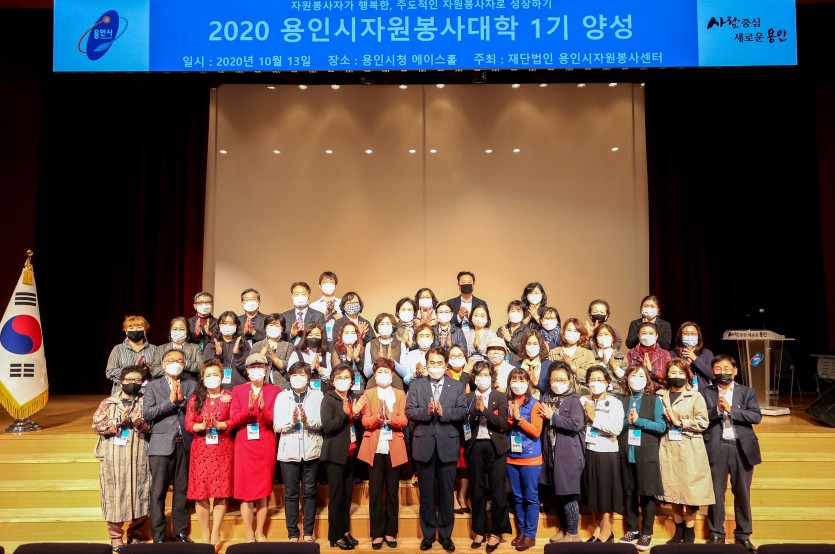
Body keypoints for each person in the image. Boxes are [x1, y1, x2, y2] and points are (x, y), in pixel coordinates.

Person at [406, 347, 467, 552]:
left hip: (447, 446)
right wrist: (427, 411)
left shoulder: (457, 386)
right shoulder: (416, 385)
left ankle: (446, 535)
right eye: (432, 363)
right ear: (427, 364)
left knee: (447, 494)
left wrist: (444, 412)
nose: (436, 366)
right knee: (426, 495)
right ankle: (428, 535)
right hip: (424, 446)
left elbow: (463, 412)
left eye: (439, 363)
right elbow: (410, 411)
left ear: (446, 364)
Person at [702, 354, 762, 554]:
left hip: (741, 448)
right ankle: (716, 534)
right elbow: (701, 418)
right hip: (716, 447)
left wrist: (732, 410)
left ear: (735, 371)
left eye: (727, 368)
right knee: (716, 494)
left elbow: (756, 416)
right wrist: (718, 411)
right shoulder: (705, 392)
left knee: (742, 493)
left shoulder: (747, 392)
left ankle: (743, 535)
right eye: (718, 368)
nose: (723, 372)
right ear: (713, 371)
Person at [93, 365, 151, 552]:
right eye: (129, 380)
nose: (133, 383)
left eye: (137, 380)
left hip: (139, 455)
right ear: (121, 382)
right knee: (114, 496)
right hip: (114, 458)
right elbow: (96, 425)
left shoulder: (146, 401)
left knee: (142, 494)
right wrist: (119, 421)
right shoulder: (108, 403)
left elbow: (152, 426)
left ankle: (135, 533)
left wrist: (139, 423)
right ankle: (116, 537)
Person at [655, 358, 714, 545]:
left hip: (690, 448)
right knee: (673, 489)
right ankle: (678, 529)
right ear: (666, 375)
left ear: (687, 375)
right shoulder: (659, 395)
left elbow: (703, 422)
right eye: (672, 372)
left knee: (690, 491)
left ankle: (689, 531)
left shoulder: (695, 396)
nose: (676, 376)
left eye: (680, 373)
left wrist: (679, 422)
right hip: (667, 446)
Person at [141, 348, 197, 544]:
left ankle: (180, 532)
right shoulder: (153, 386)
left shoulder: (191, 385)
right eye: (172, 360)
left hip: (185, 443)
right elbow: (148, 414)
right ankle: (158, 535)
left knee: (182, 490)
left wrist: (181, 401)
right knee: (158, 491)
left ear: (184, 364)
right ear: (163, 364)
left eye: (180, 360)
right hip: (161, 444)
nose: (176, 363)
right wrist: (170, 402)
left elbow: (196, 410)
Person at [358, 358, 410, 550]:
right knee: (375, 493)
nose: (383, 375)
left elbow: (403, 420)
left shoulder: (400, 393)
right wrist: (377, 417)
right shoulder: (368, 393)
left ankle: (390, 532)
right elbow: (365, 421)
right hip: (374, 447)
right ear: (374, 374)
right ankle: (377, 533)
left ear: (392, 374)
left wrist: (390, 417)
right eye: (379, 371)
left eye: (386, 371)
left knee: (392, 493)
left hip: (393, 446)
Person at [229, 353, 281, 542]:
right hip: (244, 443)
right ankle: (248, 531)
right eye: (253, 367)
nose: (257, 370)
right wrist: (248, 410)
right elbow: (234, 419)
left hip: (265, 442)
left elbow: (275, 420)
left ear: (266, 369)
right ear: (247, 370)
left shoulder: (274, 390)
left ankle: (259, 531)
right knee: (246, 492)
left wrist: (263, 409)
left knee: (263, 490)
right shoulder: (238, 390)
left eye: (260, 366)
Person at [185, 360, 234, 552]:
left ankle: (216, 532)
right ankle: (204, 532)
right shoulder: (195, 398)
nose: (212, 378)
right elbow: (189, 423)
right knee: (201, 493)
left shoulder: (229, 397)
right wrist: (202, 426)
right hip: (201, 449)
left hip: (223, 448)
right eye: (208, 375)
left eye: (215, 374)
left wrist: (222, 424)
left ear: (222, 377)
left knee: (221, 492)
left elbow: (235, 419)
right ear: (203, 378)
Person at [618, 363, 666, 552]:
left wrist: (640, 421)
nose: (636, 379)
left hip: (646, 452)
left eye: (640, 376)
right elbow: (615, 425)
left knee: (647, 493)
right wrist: (627, 422)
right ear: (626, 379)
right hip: (625, 451)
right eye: (632, 375)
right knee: (629, 492)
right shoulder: (621, 399)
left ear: (647, 380)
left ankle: (647, 532)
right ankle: (632, 529)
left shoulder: (654, 400)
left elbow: (661, 426)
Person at [464, 361, 511, 553]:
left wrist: (484, 410)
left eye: (485, 375)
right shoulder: (468, 397)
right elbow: (464, 423)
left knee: (498, 490)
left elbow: (503, 423)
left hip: (496, 447)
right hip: (475, 447)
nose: (482, 379)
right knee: (477, 490)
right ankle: (479, 530)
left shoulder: (500, 396)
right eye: (479, 375)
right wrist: (475, 413)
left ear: (492, 377)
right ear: (474, 378)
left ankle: (496, 532)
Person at [274, 361, 324, 542]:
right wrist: (292, 421)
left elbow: (322, 423)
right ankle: (293, 534)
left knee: (310, 492)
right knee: (291, 494)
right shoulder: (282, 397)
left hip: (312, 451)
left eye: (302, 375)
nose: (298, 378)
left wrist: (307, 420)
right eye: (294, 375)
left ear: (308, 376)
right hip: (288, 453)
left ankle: (308, 533)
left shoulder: (317, 395)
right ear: (289, 377)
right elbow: (276, 426)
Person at [538, 362, 585, 543]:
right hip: (550, 452)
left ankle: (574, 533)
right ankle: (564, 529)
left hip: (569, 454)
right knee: (557, 493)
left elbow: (576, 424)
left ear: (569, 380)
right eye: (554, 379)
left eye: (562, 379)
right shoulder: (546, 397)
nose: (558, 382)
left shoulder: (574, 400)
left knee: (568, 493)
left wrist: (553, 417)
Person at [320, 363, 362, 550]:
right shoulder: (329, 399)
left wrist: (356, 415)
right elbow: (327, 427)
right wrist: (345, 415)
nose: (343, 381)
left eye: (346, 377)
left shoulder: (352, 398)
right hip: (334, 455)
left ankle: (344, 531)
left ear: (352, 381)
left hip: (350, 454)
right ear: (332, 380)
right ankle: (334, 536)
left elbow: (353, 425)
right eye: (339, 377)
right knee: (336, 497)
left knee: (346, 496)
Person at [581, 365, 624, 544]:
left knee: (605, 493)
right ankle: (597, 527)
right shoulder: (583, 400)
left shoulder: (614, 402)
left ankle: (607, 530)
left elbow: (616, 429)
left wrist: (594, 418)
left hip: (607, 451)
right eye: (592, 379)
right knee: (592, 492)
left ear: (607, 383)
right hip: (588, 450)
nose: (595, 383)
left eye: (600, 379)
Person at [505, 367, 544, 551]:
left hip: (530, 459)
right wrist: (511, 415)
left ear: (528, 383)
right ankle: (521, 531)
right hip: (511, 458)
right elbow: (504, 428)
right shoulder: (507, 401)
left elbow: (536, 431)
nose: (518, 384)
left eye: (522, 380)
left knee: (530, 497)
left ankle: (530, 534)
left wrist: (519, 418)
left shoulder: (535, 404)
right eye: (514, 380)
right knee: (518, 497)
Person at [446, 343, 474, 514]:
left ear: (465, 358)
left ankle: (463, 495)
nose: (456, 359)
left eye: (459, 355)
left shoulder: (471, 376)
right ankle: (452, 496)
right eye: (453, 356)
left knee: (466, 464)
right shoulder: (445, 376)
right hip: (450, 425)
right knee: (451, 464)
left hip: (468, 425)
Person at [106, 315, 158, 395]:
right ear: (126, 331)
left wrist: (148, 370)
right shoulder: (118, 349)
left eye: (139, 327)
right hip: (122, 394)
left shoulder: (154, 349)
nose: (135, 330)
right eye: (131, 328)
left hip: (147, 394)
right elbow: (110, 372)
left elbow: (159, 372)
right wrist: (133, 370)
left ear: (145, 330)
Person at [547, 317, 596, 395]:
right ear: (563, 332)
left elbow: (592, 377)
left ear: (580, 334)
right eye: (569, 330)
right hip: (557, 395)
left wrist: (574, 368)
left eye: (575, 331)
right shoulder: (554, 352)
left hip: (581, 395)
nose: (572, 333)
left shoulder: (587, 354)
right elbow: (548, 375)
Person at [203, 310, 250, 391]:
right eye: (224, 323)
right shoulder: (211, 346)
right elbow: (206, 371)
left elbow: (247, 372)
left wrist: (237, 354)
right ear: (219, 325)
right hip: (216, 390)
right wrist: (217, 355)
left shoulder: (244, 346)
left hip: (239, 389)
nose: (228, 326)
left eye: (231, 323)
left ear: (236, 326)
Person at [363, 313, 409, 389]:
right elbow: (366, 374)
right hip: (374, 388)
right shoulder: (370, 344)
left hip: (395, 388)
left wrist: (393, 361)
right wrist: (378, 361)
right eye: (382, 324)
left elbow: (404, 373)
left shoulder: (400, 345)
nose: (385, 326)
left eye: (387, 323)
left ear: (392, 326)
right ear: (377, 327)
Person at [251, 313, 295, 390]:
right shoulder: (257, 345)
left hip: (283, 387)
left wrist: (276, 360)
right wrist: (260, 356)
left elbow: (291, 367)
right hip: (261, 385)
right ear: (265, 327)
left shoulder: (288, 346)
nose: (273, 328)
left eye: (277, 326)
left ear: (282, 328)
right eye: (271, 325)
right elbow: (249, 366)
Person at [626, 321, 673, 392]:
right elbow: (629, 375)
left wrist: (651, 369)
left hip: (659, 392)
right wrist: (643, 369)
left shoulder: (665, 354)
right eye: (644, 333)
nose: (647, 336)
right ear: (638, 335)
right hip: (637, 391)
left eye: (651, 333)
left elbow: (668, 376)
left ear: (656, 336)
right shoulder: (632, 354)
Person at [288, 322, 332, 391]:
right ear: (305, 337)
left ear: (321, 337)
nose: (314, 337)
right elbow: (291, 374)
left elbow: (331, 378)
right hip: (302, 392)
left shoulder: (327, 355)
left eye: (317, 335)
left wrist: (319, 368)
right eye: (310, 335)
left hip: (323, 392)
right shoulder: (296, 354)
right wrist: (310, 368)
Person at [281, 281, 327, 346]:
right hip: (289, 351)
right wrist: (291, 335)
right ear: (292, 297)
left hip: (310, 350)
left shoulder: (318, 316)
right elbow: (280, 340)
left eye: (303, 294)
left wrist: (305, 334)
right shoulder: (284, 316)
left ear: (309, 296)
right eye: (296, 294)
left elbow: (323, 339)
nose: (300, 297)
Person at [672, 322, 715, 390]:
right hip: (682, 391)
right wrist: (685, 366)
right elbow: (670, 375)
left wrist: (695, 359)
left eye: (693, 333)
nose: (689, 336)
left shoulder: (707, 353)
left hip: (703, 392)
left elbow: (712, 375)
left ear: (698, 335)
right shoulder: (673, 353)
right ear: (680, 336)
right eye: (685, 333)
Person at [591, 323, 628, 395]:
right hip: (595, 394)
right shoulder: (590, 355)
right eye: (600, 335)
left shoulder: (620, 356)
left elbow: (626, 379)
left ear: (612, 338)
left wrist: (615, 367)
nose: (603, 337)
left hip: (617, 395)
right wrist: (602, 364)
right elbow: (587, 377)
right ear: (596, 338)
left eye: (606, 334)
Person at [332, 320, 368, 391]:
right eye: (347, 332)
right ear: (341, 335)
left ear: (356, 335)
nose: (350, 335)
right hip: (344, 388)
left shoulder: (362, 348)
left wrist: (357, 359)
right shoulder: (337, 350)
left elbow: (366, 372)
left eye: (352, 332)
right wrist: (348, 359)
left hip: (360, 387)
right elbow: (337, 372)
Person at [516, 328, 551, 399]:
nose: (532, 346)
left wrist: (535, 382)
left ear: (540, 346)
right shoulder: (518, 364)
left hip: (540, 402)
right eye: (529, 343)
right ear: (524, 346)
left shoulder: (548, 365)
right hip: (520, 400)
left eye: (535, 344)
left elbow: (551, 390)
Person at [309, 270, 342, 344]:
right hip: (320, 342)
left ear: (336, 286)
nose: (328, 285)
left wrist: (333, 311)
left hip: (339, 341)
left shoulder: (342, 303)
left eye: (331, 282)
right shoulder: (313, 306)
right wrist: (325, 314)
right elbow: (311, 326)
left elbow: (345, 323)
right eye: (324, 282)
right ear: (320, 286)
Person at [497, 301, 527, 367]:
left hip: (519, 364)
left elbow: (525, 351)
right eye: (512, 311)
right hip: (502, 364)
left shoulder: (527, 331)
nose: (515, 313)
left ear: (523, 314)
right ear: (508, 313)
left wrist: (510, 339)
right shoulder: (502, 329)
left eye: (518, 311)